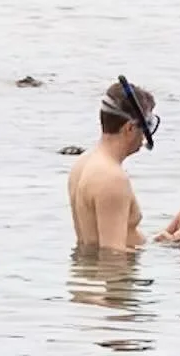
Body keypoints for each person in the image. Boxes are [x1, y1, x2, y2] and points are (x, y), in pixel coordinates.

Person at [66, 79, 160, 253]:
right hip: (111, 277)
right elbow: (112, 253)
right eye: (147, 126)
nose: (144, 137)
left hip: (87, 275)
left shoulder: (83, 162)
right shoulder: (112, 178)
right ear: (130, 128)